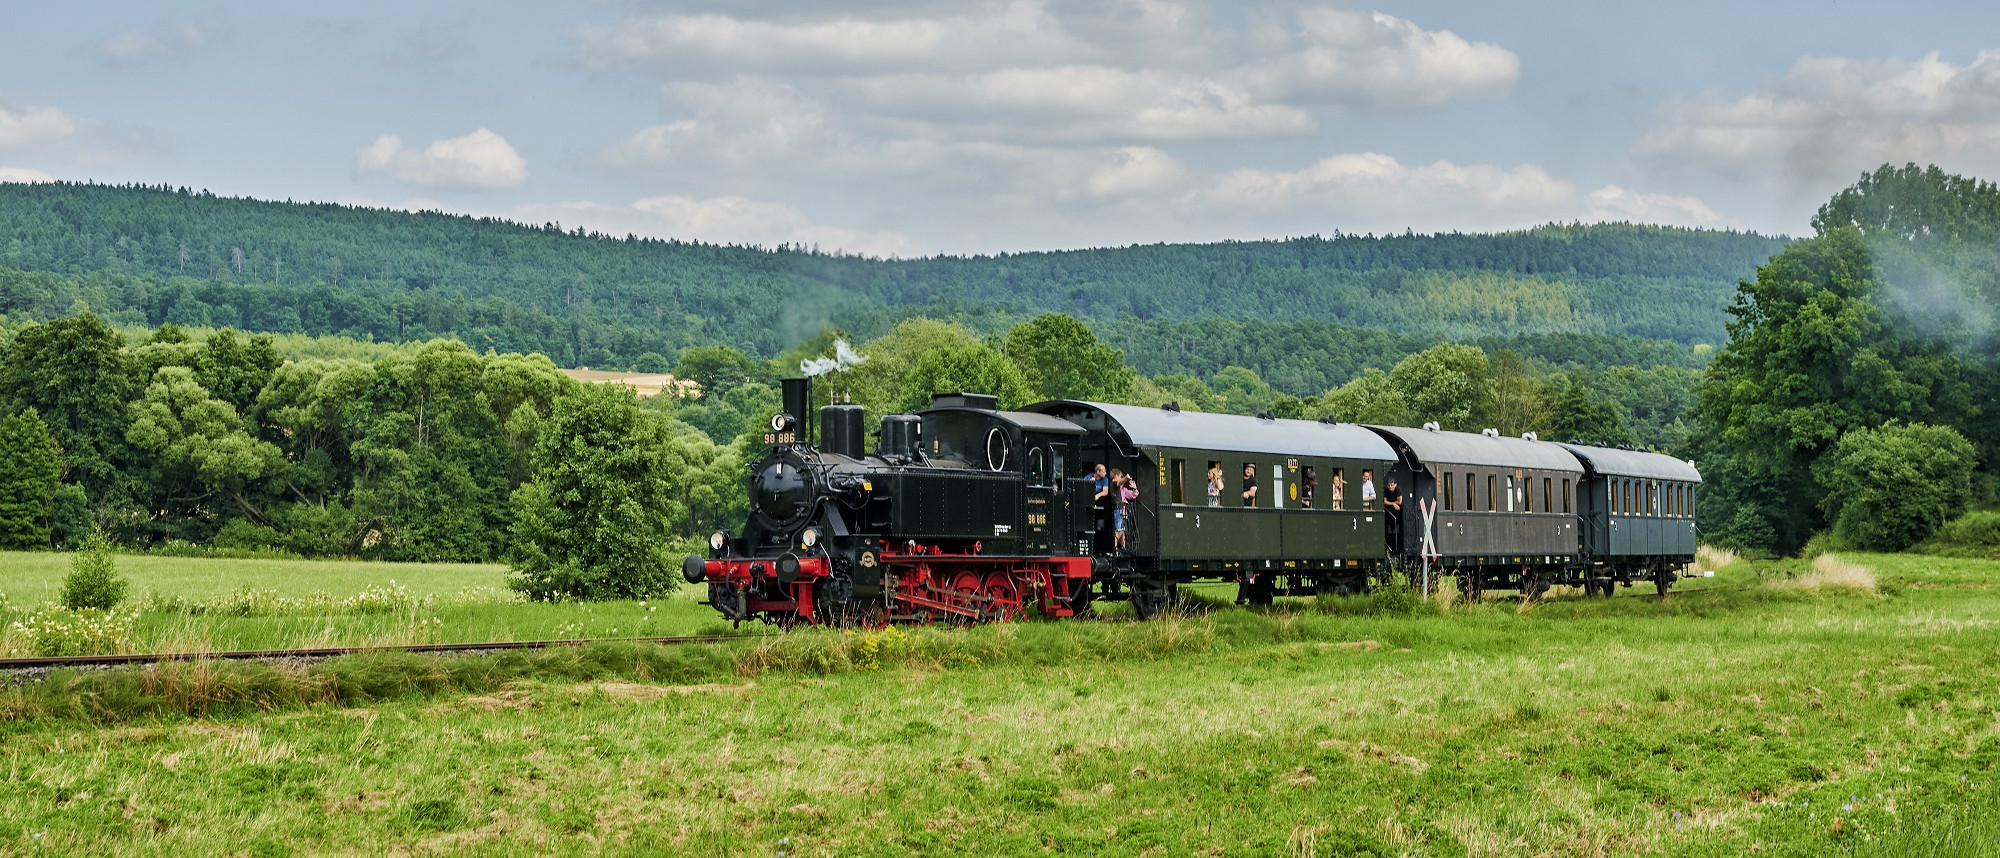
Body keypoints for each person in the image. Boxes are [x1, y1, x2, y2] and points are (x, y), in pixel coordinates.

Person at [1090, 463, 1112, 551]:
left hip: (1100, 508)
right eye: (1104, 471)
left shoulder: (1105, 479)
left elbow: (1105, 491)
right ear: (1098, 472)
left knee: (1100, 526)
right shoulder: (1089, 477)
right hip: (1090, 506)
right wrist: (1090, 484)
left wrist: (1098, 495)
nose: (1105, 473)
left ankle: (1100, 546)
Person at [1109, 468, 1129, 551]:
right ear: (1116, 476)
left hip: (1120, 507)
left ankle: (1123, 547)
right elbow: (1120, 482)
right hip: (1118, 508)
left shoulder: (1115, 486)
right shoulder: (1113, 484)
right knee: (1119, 529)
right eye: (1120, 476)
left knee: (1122, 529)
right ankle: (1115, 547)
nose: (1121, 478)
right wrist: (1126, 478)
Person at [1383, 477, 1403, 544]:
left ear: (1395, 484)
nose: (1390, 487)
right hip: (1389, 511)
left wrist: (1392, 503)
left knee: (1401, 524)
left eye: (1391, 485)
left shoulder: (1398, 489)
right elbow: (1385, 502)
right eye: (1388, 485)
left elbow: (1399, 501)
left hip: (1399, 511)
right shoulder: (1386, 490)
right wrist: (1394, 504)